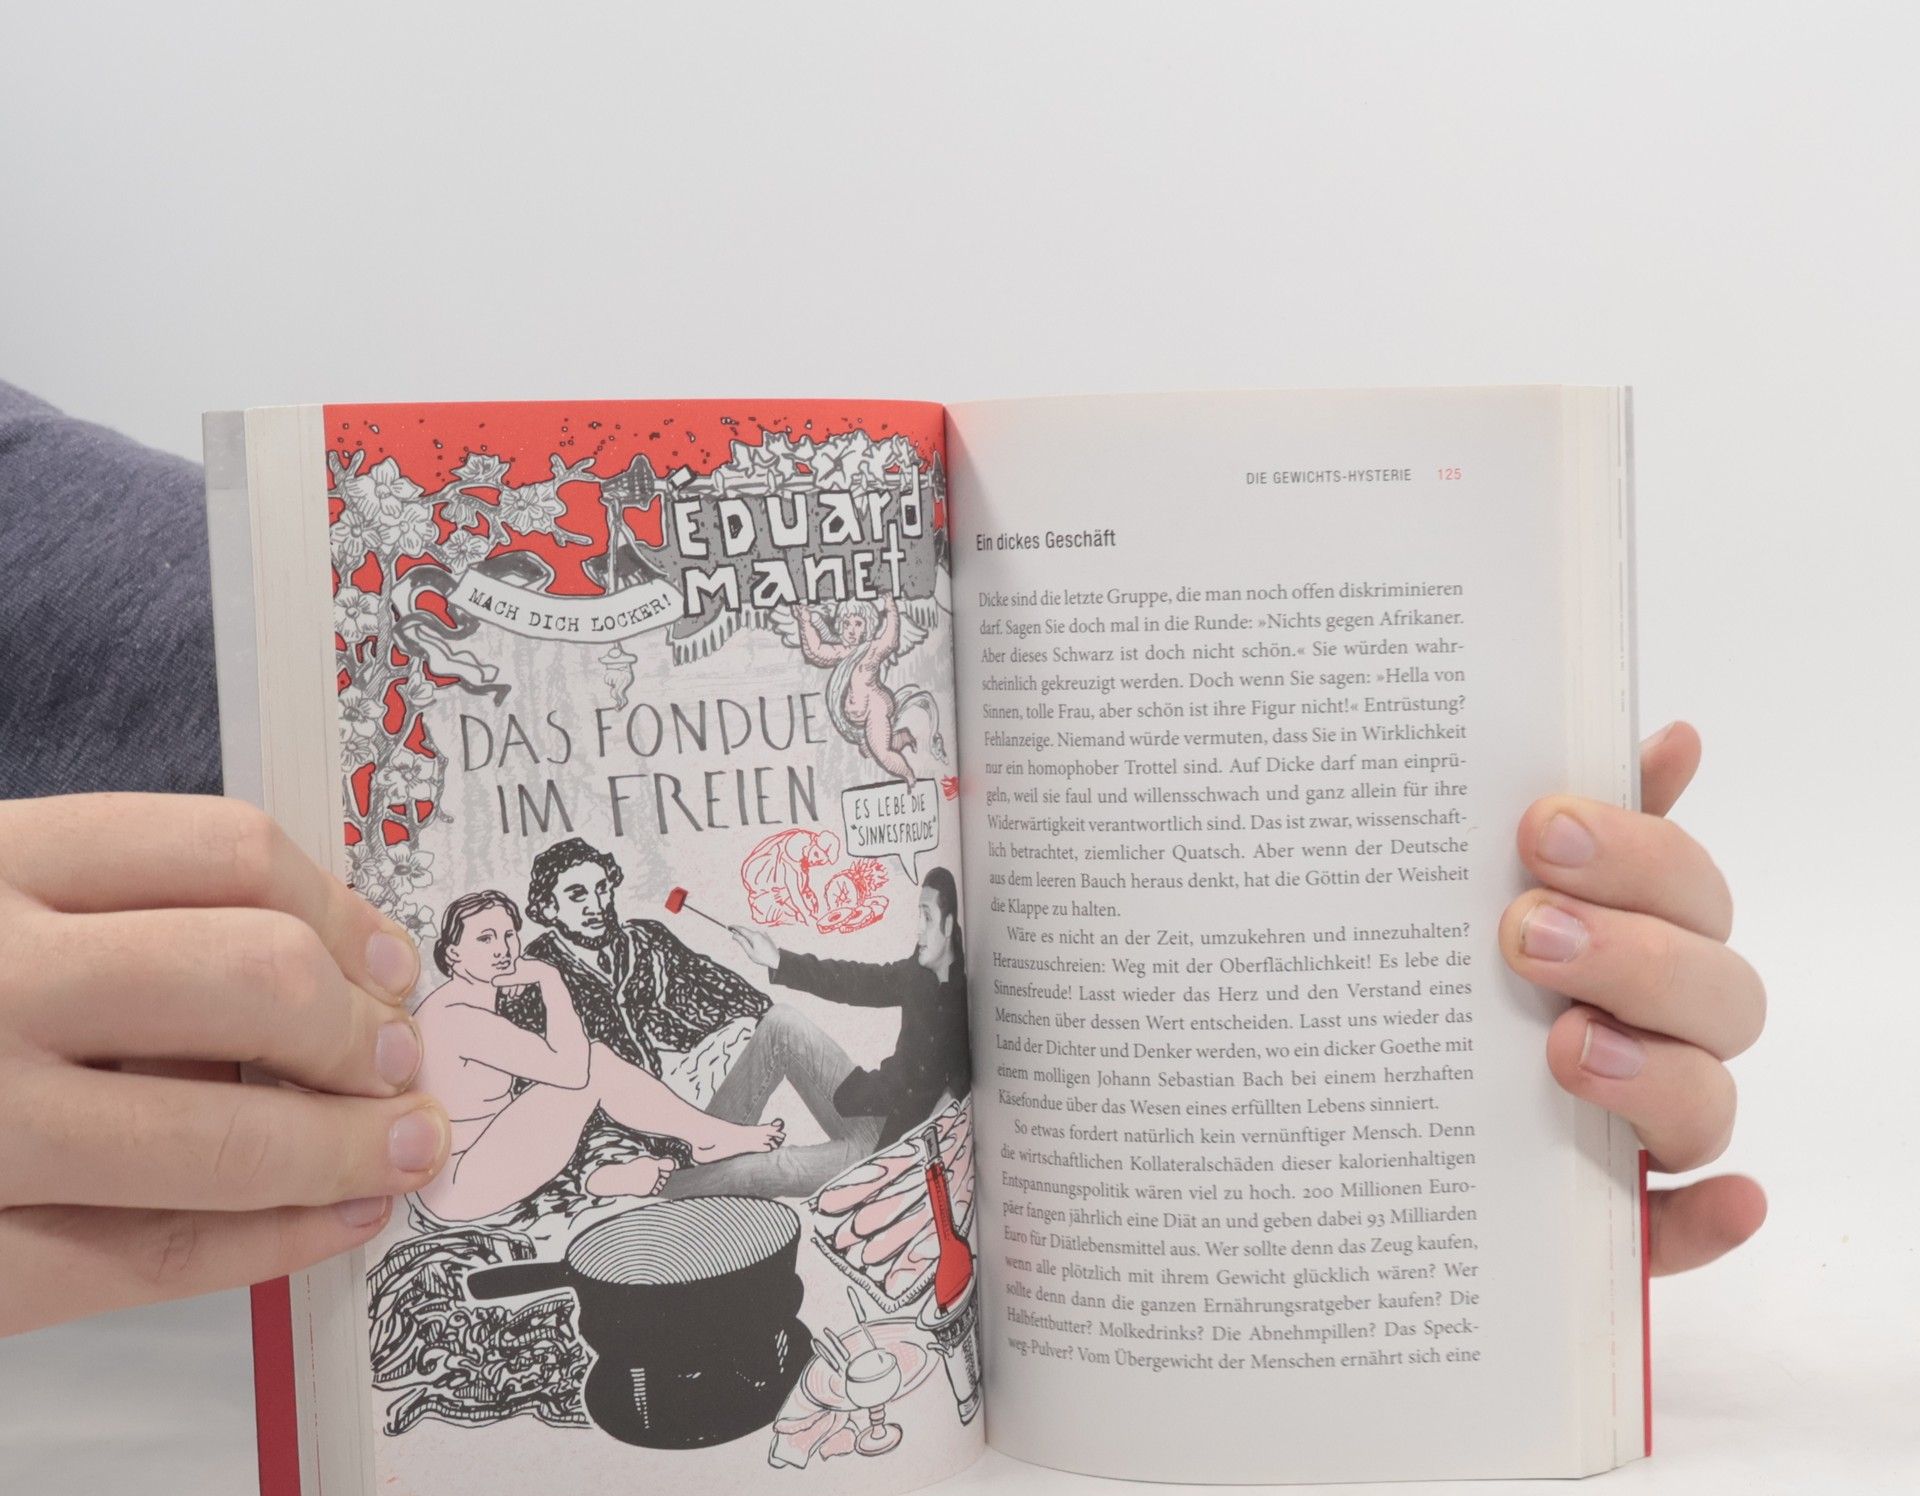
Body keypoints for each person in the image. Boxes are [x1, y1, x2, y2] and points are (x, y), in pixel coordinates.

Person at [0, 383, 1767, 1334]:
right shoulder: (816, 970)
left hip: (870, 1138)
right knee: (746, 1064)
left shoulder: (927, 968)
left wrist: (1379, 920)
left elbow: (108, 590)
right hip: (733, 1116)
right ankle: (689, 1168)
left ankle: (697, 1177)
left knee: (744, 1134)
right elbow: (798, 977)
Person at [412, 890, 782, 1223]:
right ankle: (704, 1138)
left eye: (509, 935)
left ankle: (661, 1153)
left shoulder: (472, 1002)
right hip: (460, 1182)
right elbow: (573, 1071)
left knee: (595, 1065)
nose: (503, 949)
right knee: (597, 1063)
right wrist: (550, 980)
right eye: (486, 938)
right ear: (453, 954)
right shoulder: (458, 1018)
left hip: (478, 1161)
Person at [662, 866, 973, 1200]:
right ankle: (702, 1142)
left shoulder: (970, 997)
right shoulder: (918, 973)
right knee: (782, 1023)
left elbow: (957, 1093)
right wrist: (778, 960)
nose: (918, 929)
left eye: (927, 917)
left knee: (755, 1170)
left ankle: (662, 1190)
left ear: (948, 925)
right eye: (918, 916)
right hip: (865, 1103)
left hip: (879, 1154)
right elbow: (855, 980)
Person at [506, 836, 770, 1078]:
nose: (596, 907)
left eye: (602, 889)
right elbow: (526, 1066)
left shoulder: (646, 937)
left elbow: (715, 983)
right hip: (614, 1103)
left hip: (689, 1076)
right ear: (548, 908)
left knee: (768, 1025)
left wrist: (766, 1017)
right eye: (577, 896)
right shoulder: (535, 969)